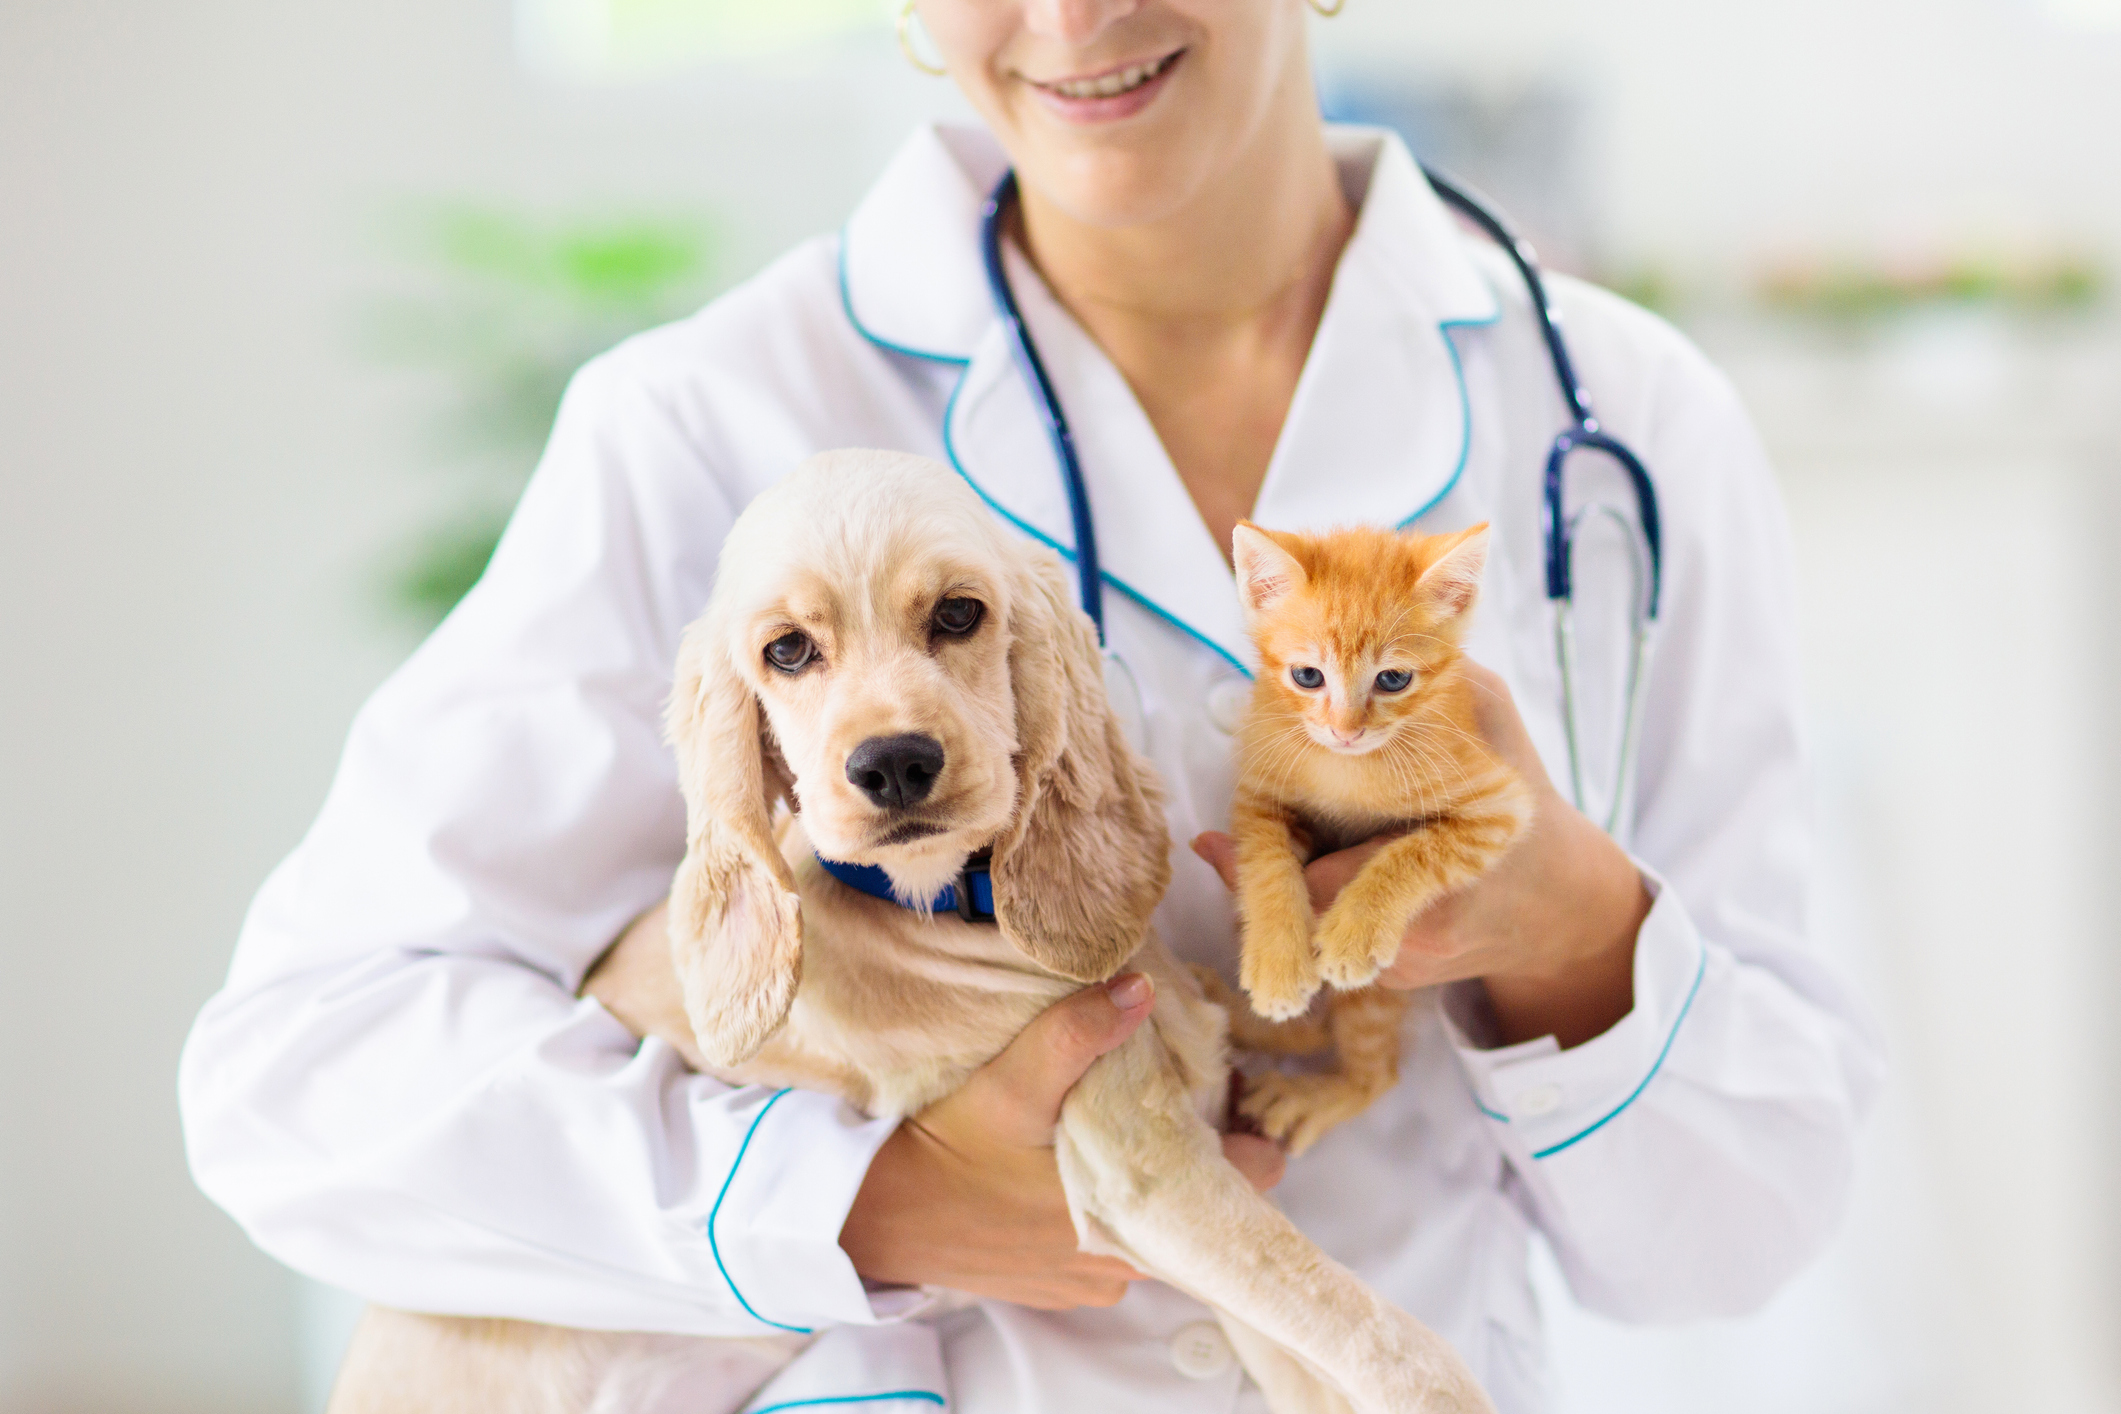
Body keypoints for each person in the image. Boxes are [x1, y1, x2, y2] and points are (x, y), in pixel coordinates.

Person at [179, 2, 1884, 1410]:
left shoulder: (1623, 422)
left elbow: (1729, 1236)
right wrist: (860, 1197)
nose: (1072, 18)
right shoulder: (703, 425)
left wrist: (1572, 922)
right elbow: (298, 1083)